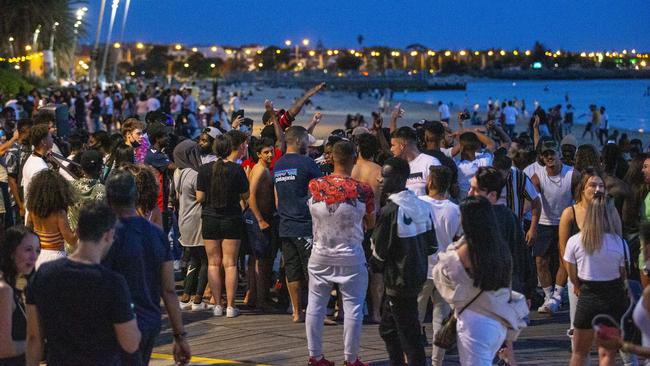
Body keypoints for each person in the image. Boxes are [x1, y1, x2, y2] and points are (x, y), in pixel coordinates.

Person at [25, 202, 141, 366]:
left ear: (78, 231)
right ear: (108, 235)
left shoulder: (44, 274)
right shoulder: (113, 283)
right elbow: (130, 343)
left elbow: (33, 338)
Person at [104, 172, 191, 365]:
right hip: (148, 321)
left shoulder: (105, 237)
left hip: (113, 323)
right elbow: (168, 289)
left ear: (109, 200)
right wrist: (179, 335)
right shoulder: (156, 234)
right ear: (135, 198)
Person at [433, 196, 528, 366]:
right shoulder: (500, 247)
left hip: (474, 322)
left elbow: (442, 275)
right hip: (498, 320)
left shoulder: (465, 251)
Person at [305, 140, 375, 366]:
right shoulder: (363, 190)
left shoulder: (315, 186)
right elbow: (371, 222)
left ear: (331, 158)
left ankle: (315, 356)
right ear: (354, 158)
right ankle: (351, 359)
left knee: (315, 304)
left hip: (320, 253)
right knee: (353, 307)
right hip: (351, 255)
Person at [371, 157, 437, 366]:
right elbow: (432, 246)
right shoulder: (422, 205)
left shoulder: (391, 210)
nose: (380, 179)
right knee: (389, 329)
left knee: (409, 336)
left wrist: (375, 266)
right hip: (417, 275)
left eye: (385, 176)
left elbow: (379, 253)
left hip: (398, 281)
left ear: (399, 178)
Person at [565, 195, 628, 366]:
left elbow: (571, 274)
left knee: (579, 353)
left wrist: (578, 287)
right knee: (607, 355)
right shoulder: (620, 243)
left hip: (587, 299)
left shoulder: (575, 241)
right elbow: (623, 276)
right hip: (613, 301)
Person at [196, 134, 249, 318]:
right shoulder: (236, 169)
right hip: (232, 218)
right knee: (230, 263)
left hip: (210, 218)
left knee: (213, 263)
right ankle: (231, 306)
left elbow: (200, 198)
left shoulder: (203, 170)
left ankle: (217, 304)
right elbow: (245, 194)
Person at [274, 126, 322, 322]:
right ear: (300, 141)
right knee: (312, 270)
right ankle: (314, 311)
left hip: (285, 225)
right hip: (304, 225)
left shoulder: (278, 164)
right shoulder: (307, 163)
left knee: (292, 270)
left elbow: (277, 198)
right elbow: (320, 192)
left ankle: (296, 311)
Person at [417, 165, 462, 365]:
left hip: (421, 268)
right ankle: (437, 362)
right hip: (445, 271)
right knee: (440, 320)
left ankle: (415, 359)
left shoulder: (418, 204)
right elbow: (459, 240)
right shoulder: (455, 209)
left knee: (415, 318)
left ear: (430, 182)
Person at [531, 139, 576, 314]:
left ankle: (558, 295)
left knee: (564, 259)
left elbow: (580, 198)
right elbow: (531, 201)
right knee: (540, 261)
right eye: (546, 154)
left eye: (552, 153)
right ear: (542, 158)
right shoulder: (538, 177)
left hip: (566, 222)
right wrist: (530, 226)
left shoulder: (572, 174)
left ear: (559, 154)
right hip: (544, 222)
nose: (550, 157)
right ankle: (548, 296)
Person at [173, 140, 211, 311]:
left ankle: (186, 295)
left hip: (183, 219)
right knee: (205, 259)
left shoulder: (177, 173)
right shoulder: (195, 174)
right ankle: (197, 298)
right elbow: (200, 197)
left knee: (192, 258)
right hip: (197, 219)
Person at [351, 133, 383, 323]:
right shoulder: (379, 171)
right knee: (376, 270)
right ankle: (376, 312)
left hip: (353, 223)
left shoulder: (351, 170)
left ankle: (352, 308)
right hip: (375, 222)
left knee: (354, 268)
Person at [245, 137, 277, 311]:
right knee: (261, 260)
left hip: (261, 217)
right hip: (259, 218)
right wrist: (260, 219)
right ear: (258, 154)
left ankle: (253, 296)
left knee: (255, 259)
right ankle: (261, 300)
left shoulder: (264, 169)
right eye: (266, 152)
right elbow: (251, 196)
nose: (270, 154)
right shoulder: (260, 171)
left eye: (271, 151)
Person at [0, 226, 39, 366]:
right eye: (28, 250)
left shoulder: (17, 286)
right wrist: (38, 343)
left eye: (37, 251)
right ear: (11, 252)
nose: (34, 257)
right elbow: (3, 349)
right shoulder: (4, 291)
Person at [25, 170, 77, 268]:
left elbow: (28, 231)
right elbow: (71, 240)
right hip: (55, 257)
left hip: (37, 256)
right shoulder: (59, 213)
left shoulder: (32, 210)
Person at [389, 127, 440, 196]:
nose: (391, 149)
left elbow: (437, 196)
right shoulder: (395, 166)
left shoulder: (430, 163)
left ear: (402, 145)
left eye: (393, 145)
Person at [68, 150, 106, 232]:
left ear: (81, 169)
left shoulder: (69, 187)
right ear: (100, 169)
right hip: (93, 241)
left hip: (73, 241)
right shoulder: (103, 190)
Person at [21, 124, 52, 209]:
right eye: (50, 137)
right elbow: (41, 198)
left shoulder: (31, 159)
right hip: (38, 217)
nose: (52, 139)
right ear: (43, 141)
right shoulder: (40, 167)